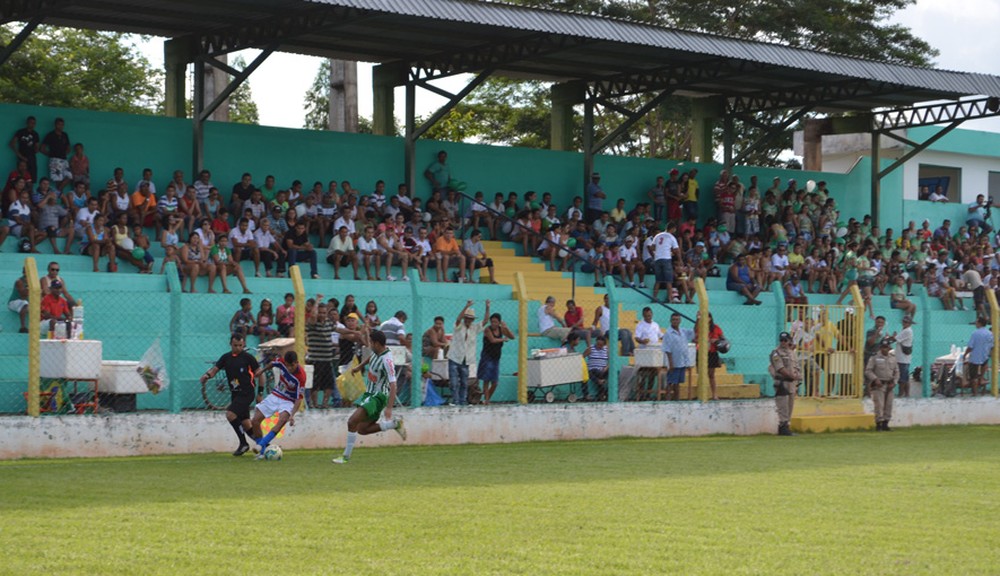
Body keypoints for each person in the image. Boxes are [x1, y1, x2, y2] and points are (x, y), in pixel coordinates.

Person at [332, 330, 406, 464]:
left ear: (377, 343)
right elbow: (371, 358)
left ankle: (345, 457)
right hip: (370, 394)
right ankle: (394, 424)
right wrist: (358, 367)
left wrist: (389, 408)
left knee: (352, 421)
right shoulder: (378, 352)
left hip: (378, 396)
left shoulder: (387, 361)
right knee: (362, 429)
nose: (370, 345)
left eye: (371, 343)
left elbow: (393, 385)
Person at [199, 333, 260, 456]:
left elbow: (260, 373)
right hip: (235, 394)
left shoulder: (248, 358)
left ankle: (243, 444)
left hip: (247, 393)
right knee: (245, 423)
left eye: (240, 345)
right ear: (230, 344)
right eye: (235, 345)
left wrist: (260, 392)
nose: (237, 348)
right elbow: (215, 369)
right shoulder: (226, 357)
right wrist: (207, 375)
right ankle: (263, 444)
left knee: (230, 414)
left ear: (244, 345)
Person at [250, 350, 306, 458]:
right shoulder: (282, 362)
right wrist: (261, 371)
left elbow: (299, 398)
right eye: (287, 365)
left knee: (281, 421)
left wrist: (292, 415)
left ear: (297, 362)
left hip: (289, 401)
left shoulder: (301, 377)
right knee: (255, 420)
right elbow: (272, 363)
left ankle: (260, 446)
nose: (289, 368)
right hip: (276, 394)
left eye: (292, 366)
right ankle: (262, 453)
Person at [447, 300, 489, 406]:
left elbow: (485, 321)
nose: (468, 320)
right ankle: (456, 401)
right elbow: (458, 319)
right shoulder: (459, 326)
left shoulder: (474, 328)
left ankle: (462, 401)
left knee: (465, 383)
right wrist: (466, 306)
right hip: (455, 357)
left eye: (470, 319)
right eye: (467, 318)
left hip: (466, 359)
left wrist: (487, 307)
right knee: (454, 382)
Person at [306, 299, 341, 409]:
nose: (322, 315)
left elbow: (340, 330)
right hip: (315, 358)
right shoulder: (312, 323)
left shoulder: (328, 323)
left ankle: (325, 403)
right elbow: (312, 315)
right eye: (320, 312)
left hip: (327, 359)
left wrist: (355, 332)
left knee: (329, 383)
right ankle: (315, 403)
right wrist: (317, 301)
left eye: (324, 313)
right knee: (314, 384)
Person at [770, 331, 801, 436]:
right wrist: (792, 376)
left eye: (785, 340)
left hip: (791, 383)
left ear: (789, 341)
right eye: (781, 340)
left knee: (790, 405)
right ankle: (783, 426)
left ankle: (786, 426)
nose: (783, 342)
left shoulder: (791, 353)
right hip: (782, 382)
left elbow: (796, 366)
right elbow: (780, 368)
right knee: (783, 405)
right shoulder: (776, 352)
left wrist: (798, 377)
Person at [866, 337, 900, 432]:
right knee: (879, 405)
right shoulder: (874, 358)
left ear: (889, 348)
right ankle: (879, 424)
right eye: (883, 347)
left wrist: (894, 382)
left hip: (889, 385)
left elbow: (897, 372)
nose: (885, 349)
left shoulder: (893, 358)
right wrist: (875, 379)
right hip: (879, 384)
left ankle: (886, 423)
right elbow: (868, 371)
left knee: (888, 405)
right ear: (880, 347)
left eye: (887, 347)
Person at [479, 313, 514, 405]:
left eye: (495, 322)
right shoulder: (487, 329)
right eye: (492, 322)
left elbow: (512, 337)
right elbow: (492, 340)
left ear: (499, 322)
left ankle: (486, 399)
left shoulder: (501, 329)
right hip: (487, 356)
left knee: (495, 382)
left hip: (496, 357)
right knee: (486, 379)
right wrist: (503, 339)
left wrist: (505, 327)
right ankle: (487, 401)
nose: (493, 324)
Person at [661, 312, 695, 401]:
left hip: (682, 361)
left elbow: (694, 331)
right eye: (673, 320)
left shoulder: (683, 331)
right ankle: (667, 400)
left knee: (677, 383)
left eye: (677, 320)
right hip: (674, 362)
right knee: (670, 382)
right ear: (670, 321)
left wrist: (698, 320)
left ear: (680, 321)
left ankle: (676, 400)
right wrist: (671, 363)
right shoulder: (668, 333)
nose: (675, 321)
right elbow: (667, 349)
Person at [962, 316, 994, 396]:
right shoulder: (990, 334)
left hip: (975, 357)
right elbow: (991, 346)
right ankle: (981, 379)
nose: (975, 324)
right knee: (982, 370)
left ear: (979, 323)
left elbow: (970, 346)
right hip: (985, 356)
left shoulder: (975, 333)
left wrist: (965, 354)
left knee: (973, 376)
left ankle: (975, 393)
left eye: (976, 322)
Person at [39, 117, 72, 192]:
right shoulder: (50, 135)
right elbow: (42, 148)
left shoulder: (64, 135)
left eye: (62, 125)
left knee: (69, 177)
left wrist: (64, 153)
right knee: (58, 180)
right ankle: (59, 196)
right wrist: (51, 155)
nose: (61, 126)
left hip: (63, 159)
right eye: (59, 124)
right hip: (55, 160)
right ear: (55, 125)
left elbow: (68, 148)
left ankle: (56, 193)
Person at [650, 222, 679, 303]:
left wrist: (657, 253)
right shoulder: (672, 237)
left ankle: (654, 297)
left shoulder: (658, 235)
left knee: (658, 280)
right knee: (668, 280)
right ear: (672, 228)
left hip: (657, 259)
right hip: (666, 258)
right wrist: (673, 254)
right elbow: (676, 250)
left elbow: (652, 247)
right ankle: (670, 298)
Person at [9, 116, 39, 182]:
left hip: (31, 158)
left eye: (34, 123)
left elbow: (37, 147)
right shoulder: (21, 132)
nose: (32, 125)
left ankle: (30, 192)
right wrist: (20, 156)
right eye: (31, 123)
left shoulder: (35, 134)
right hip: (22, 157)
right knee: (22, 176)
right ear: (27, 123)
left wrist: (36, 149)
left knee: (32, 177)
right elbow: (12, 144)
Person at [583, 335, 610, 401]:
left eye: (601, 345)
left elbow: (611, 361)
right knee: (595, 371)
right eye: (597, 344)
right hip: (592, 370)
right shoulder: (590, 348)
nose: (599, 346)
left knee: (612, 371)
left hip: (603, 370)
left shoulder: (606, 350)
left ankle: (600, 384)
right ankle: (602, 391)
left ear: (604, 345)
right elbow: (582, 357)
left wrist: (606, 367)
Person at [896, 315, 916, 398]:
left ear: (910, 323)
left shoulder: (907, 331)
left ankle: (901, 394)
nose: (904, 323)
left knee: (902, 378)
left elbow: (896, 339)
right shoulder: (906, 330)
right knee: (906, 377)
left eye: (906, 322)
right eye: (904, 322)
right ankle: (907, 394)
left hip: (902, 358)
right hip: (904, 357)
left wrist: (891, 336)